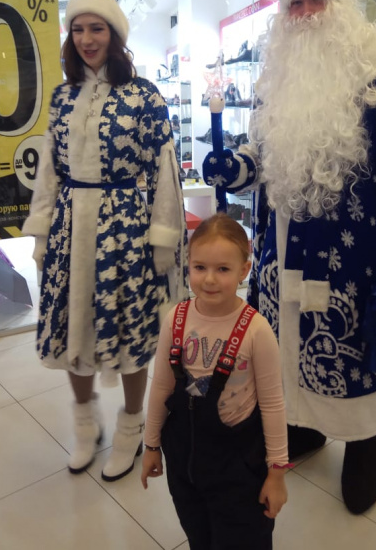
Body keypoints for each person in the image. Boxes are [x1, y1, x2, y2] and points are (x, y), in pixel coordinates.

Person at [202, 0, 376, 514]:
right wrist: (236, 167)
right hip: (282, 251)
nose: (307, 12)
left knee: (352, 351)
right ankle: (303, 423)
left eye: (317, 0)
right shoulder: (277, 72)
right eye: (296, 3)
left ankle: (364, 439)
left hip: (356, 256)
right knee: (285, 348)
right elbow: (263, 153)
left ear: (339, 2)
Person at [23, 0, 187, 482]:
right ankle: (85, 425)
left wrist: (163, 237)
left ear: (114, 35)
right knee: (74, 325)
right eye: (78, 29)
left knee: (129, 329)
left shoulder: (144, 96)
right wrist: (42, 231)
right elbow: (49, 169)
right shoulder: (62, 96)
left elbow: (164, 170)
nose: (87, 38)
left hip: (124, 227)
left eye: (97, 28)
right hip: (70, 225)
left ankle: (132, 428)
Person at [141, 214, 290, 549]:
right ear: (188, 266)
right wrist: (151, 446)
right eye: (199, 267)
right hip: (184, 460)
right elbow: (162, 387)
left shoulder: (257, 330)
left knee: (244, 538)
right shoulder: (175, 320)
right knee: (198, 535)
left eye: (223, 269)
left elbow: (272, 404)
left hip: (239, 464)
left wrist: (277, 473)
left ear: (244, 270)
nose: (209, 279)